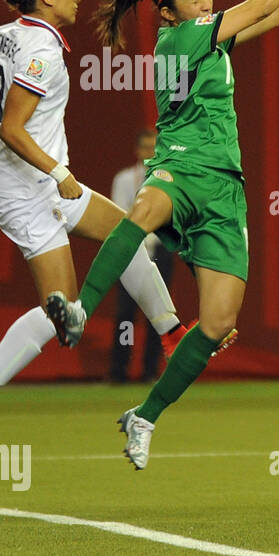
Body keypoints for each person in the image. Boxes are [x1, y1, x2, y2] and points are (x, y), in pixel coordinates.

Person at [44, 0, 279, 469]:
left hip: (224, 187)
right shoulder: (179, 41)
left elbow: (270, 17)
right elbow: (256, 4)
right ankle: (81, 309)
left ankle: (145, 415)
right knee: (142, 214)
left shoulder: (209, 39)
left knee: (218, 323)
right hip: (180, 164)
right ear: (169, 14)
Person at [0, 0, 186, 452]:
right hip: (28, 191)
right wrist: (58, 173)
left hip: (23, 178)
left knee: (129, 232)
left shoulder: (5, 34)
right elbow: (11, 128)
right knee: (68, 320)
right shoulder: (42, 51)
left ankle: (173, 333)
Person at [109, 129, 176, 383]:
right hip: (130, 251)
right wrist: (139, 237)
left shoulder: (168, 178)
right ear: (138, 150)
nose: (150, 152)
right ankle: (118, 372)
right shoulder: (125, 179)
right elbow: (118, 212)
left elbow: (171, 216)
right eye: (146, 147)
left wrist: (153, 236)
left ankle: (150, 371)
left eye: (154, 148)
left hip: (160, 250)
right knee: (125, 312)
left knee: (158, 313)